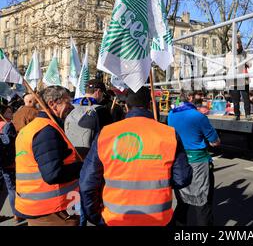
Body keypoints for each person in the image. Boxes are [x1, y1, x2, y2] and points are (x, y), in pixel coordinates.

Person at [79, 87, 192, 226]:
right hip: (159, 219)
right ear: (150, 105)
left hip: (115, 219)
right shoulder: (169, 134)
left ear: (126, 106)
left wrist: (95, 217)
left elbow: (87, 183)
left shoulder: (106, 133)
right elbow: (183, 179)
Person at [15, 86, 82, 226]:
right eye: (67, 102)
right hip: (54, 211)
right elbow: (53, 174)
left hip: (42, 208)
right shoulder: (46, 130)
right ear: (52, 104)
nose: (71, 107)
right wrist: (83, 166)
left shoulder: (33, 128)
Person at [168, 91, 220, 226]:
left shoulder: (171, 114)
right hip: (199, 164)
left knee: (182, 202)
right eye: (198, 96)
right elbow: (215, 142)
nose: (201, 99)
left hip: (179, 162)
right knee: (203, 204)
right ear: (190, 98)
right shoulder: (198, 116)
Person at [65, 79, 113, 159]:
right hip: (92, 156)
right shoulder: (101, 110)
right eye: (102, 94)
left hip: (71, 155)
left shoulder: (71, 107)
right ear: (98, 92)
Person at [0, 105, 23, 222]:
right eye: (8, 112)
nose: (11, 114)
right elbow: (10, 143)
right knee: (13, 188)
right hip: (10, 161)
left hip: (2, 162)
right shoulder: (7, 125)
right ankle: (17, 213)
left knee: (8, 187)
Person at [225, 38, 251, 120]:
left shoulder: (245, 53)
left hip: (243, 79)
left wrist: (245, 62)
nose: (238, 44)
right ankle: (237, 115)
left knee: (246, 98)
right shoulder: (229, 54)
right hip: (234, 80)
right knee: (235, 100)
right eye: (236, 43)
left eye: (239, 42)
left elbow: (250, 64)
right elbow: (227, 66)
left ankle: (248, 115)